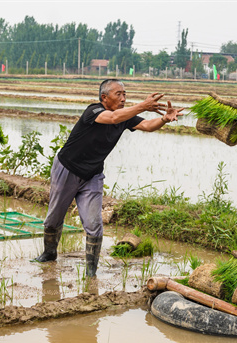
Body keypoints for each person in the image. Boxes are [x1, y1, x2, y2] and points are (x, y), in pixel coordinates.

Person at [33, 79, 183, 277]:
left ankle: (91, 271)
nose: (123, 98)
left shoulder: (125, 117)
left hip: (93, 174)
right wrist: (142, 106)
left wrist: (164, 119)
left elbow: (147, 125)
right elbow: (112, 118)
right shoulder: (93, 111)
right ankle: (49, 253)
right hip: (68, 168)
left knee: (94, 224)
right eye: (118, 94)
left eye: (124, 94)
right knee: (54, 217)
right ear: (104, 97)